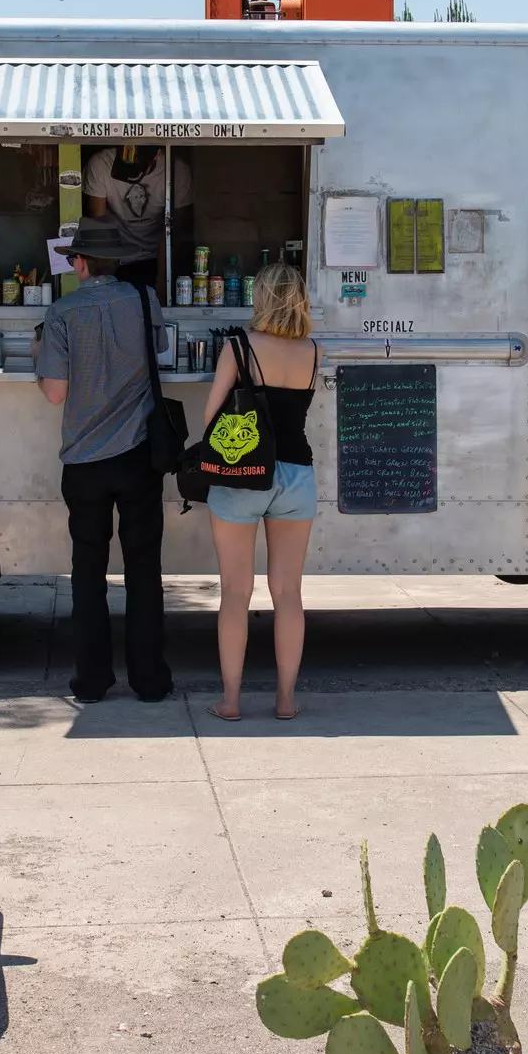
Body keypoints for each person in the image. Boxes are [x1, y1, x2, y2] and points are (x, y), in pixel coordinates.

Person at [35, 218, 174, 704]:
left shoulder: (62, 312)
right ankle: (150, 680)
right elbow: (159, 351)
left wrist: (41, 355)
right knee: (144, 570)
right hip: (139, 456)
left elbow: (55, 394)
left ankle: (92, 682)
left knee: (88, 573)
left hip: (86, 462)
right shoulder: (144, 300)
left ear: (82, 262)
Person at [198, 263, 317, 721]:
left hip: (244, 474)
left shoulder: (238, 348)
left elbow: (212, 420)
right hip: (296, 475)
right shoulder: (312, 352)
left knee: (235, 592)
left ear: (262, 298)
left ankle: (231, 700)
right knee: (288, 593)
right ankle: (286, 699)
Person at [83, 145, 192, 294]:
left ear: (156, 155)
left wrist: (162, 281)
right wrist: (105, 279)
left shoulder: (176, 170)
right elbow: (100, 226)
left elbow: (172, 233)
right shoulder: (101, 163)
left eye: (137, 170)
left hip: (158, 257)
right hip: (117, 258)